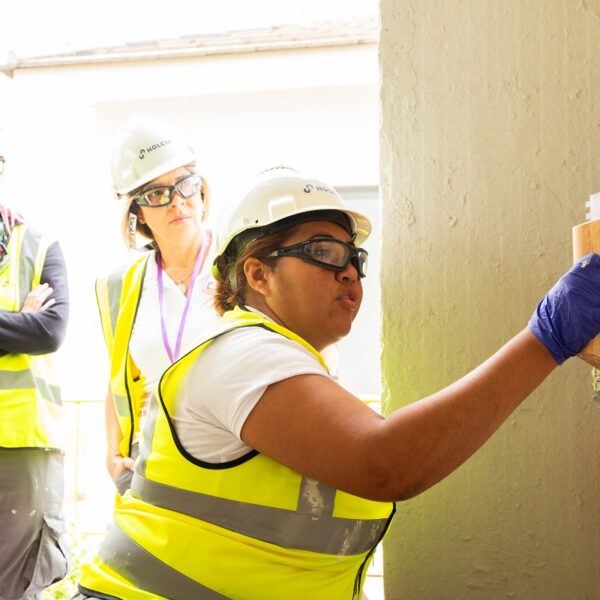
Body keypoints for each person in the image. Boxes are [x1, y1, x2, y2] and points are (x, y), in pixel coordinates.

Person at [76, 167, 600, 599]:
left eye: (354, 258)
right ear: (257, 275)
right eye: (324, 252)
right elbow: (385, 463)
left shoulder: (284, 364)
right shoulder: (242, 353)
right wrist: (544, 339)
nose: (349, 271)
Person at [95, 116, 218, 497]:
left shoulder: (242, 265)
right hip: (152, 469)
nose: (177, 201)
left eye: (186, 184)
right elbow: (119, 380)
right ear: (138, 214)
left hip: (236, 462)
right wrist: (113, 455)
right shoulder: (119, 286)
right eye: (156, 194)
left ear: (201, 194)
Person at [0, 129, 70, 599]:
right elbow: (29, 330)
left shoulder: (40, 245)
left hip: (23, 447)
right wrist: (16, 321)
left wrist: (32, 323)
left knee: (17, 587)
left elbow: (49, 332)